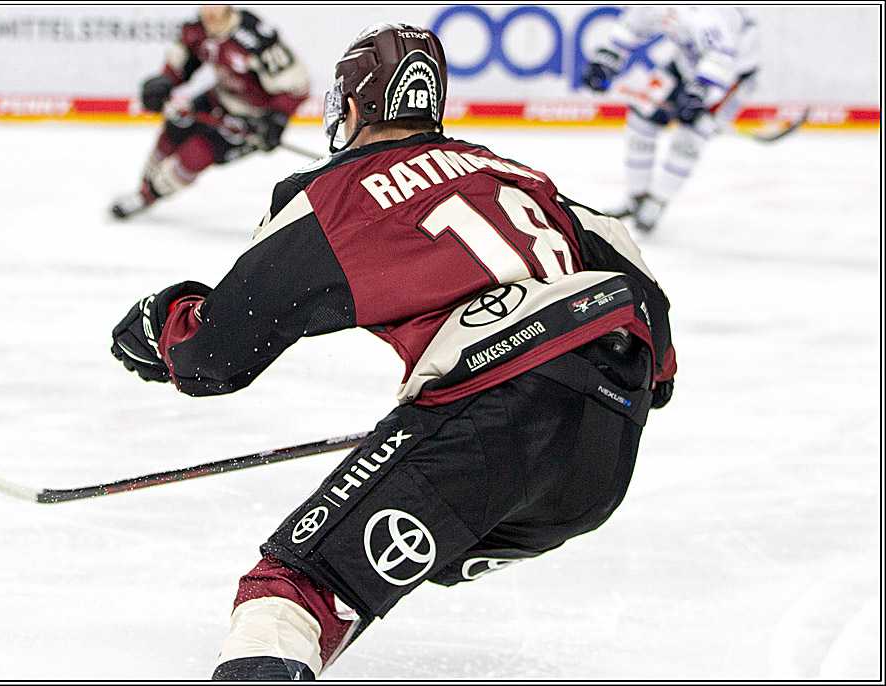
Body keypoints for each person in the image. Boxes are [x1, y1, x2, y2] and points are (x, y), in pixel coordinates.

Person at [111, 23, 676, 680]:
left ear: (352, 108)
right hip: (602, 453)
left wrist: (159, 325)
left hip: (492, 411)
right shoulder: (515, 173)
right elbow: (636, 277)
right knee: (399, 549)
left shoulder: (333, 194)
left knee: (296, 593)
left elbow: (213, 356)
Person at [110, 5, 310, 220]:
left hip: (253, 118)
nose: (209, 10)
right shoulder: (197, 29)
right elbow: (183, 60)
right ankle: (143, 188)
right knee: (174, 129)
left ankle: (149, 195)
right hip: (218, 99)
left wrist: (276, 120)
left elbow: (297, 86)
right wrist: (165, 81)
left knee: (196, 153)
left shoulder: (255, 39)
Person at [582, 6, 760, 232]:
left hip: (730, 76)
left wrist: (700, 90)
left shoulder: (711, 12)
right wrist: (607, 58)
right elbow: (634, 24)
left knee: (689, 138)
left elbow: (723, 54)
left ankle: (657, 201)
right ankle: (637, 197)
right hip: (686, 64)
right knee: (642, 116)